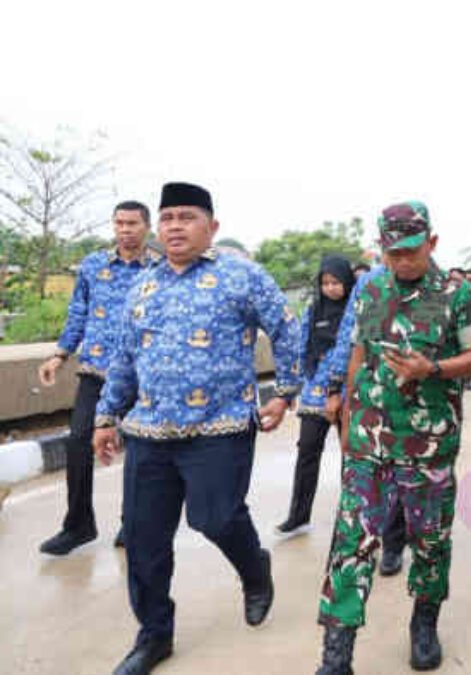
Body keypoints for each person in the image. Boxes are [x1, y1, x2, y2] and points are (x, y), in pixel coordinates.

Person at [93, 182, 300, 675]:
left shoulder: (241, 275)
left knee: (216, 518)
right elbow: (124, 358)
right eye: (167, 218)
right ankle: (154, 635)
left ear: (213, 227)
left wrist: (286, 392)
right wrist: (106, 415)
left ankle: (255, 570)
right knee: (144, 541)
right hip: (149, 433)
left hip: (220, 427)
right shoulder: (142, 286)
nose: (175, 227)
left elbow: (287, 327)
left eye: (187, 217)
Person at [316, 201, 471, 673]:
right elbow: (357, 354)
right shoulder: (370, 289)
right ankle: (337, 653)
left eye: (410, 251)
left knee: (429, 540)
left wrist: (432, 368)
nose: (402, 261)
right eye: (392, 252)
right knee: (353, 543)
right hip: (369, 443)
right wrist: (348, 414)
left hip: (427, 444)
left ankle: (424, 622)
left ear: (431, 242)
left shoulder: (457, 294)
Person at [36, 201, 158, 555]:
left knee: (139, 449)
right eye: (119, 223)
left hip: (141, 374)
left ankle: (131, 523)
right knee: (78, 443)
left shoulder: (161, 270)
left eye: (132, 223)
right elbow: (78, 313)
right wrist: (59, 354)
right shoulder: (93, 266)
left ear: (146, 227)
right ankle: (78, 525)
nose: (125, 230)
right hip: (95, 370)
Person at [322, 264, 411, 577]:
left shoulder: (439, 287)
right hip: (366, 396)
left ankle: (393, 545)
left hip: (411, 400)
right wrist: (335, 388)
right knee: (358, 475)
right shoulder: (368, 284)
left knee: (399, 475)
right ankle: (348, 549)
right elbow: (348, 337)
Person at [276, 255, 356, 535]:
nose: (331, 288)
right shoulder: (313, 310)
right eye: (325, 283)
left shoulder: (355, 310)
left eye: (336, 282)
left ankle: (351, 517)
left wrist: (337, 381)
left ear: (347, 282)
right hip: (314, 392)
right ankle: (298, 514)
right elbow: (303, 345)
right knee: (307, 450)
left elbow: (350, 350)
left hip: (347, 390)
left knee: (352, 455)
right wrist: (295, 386)